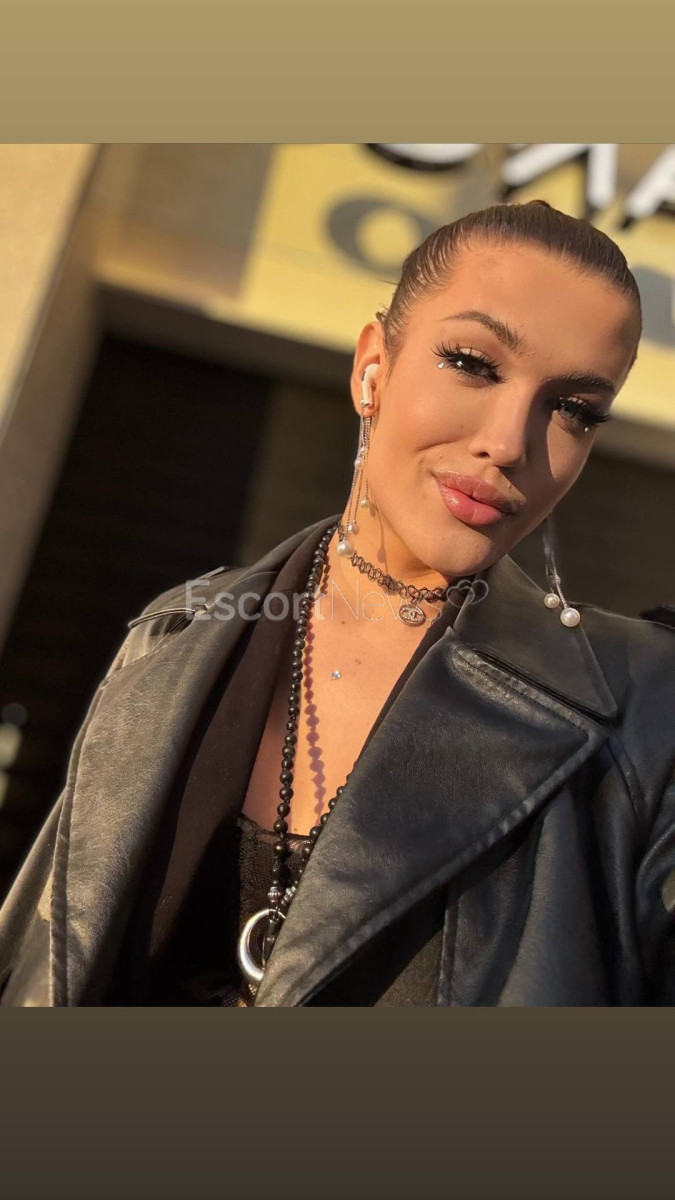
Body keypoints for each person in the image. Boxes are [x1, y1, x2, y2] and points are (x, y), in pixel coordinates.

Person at [1, 199, 674, 1007]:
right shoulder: (175, 632)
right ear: (372, 368)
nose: (507, 442)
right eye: (472, 362)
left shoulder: (643, 711)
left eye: (572, 410)